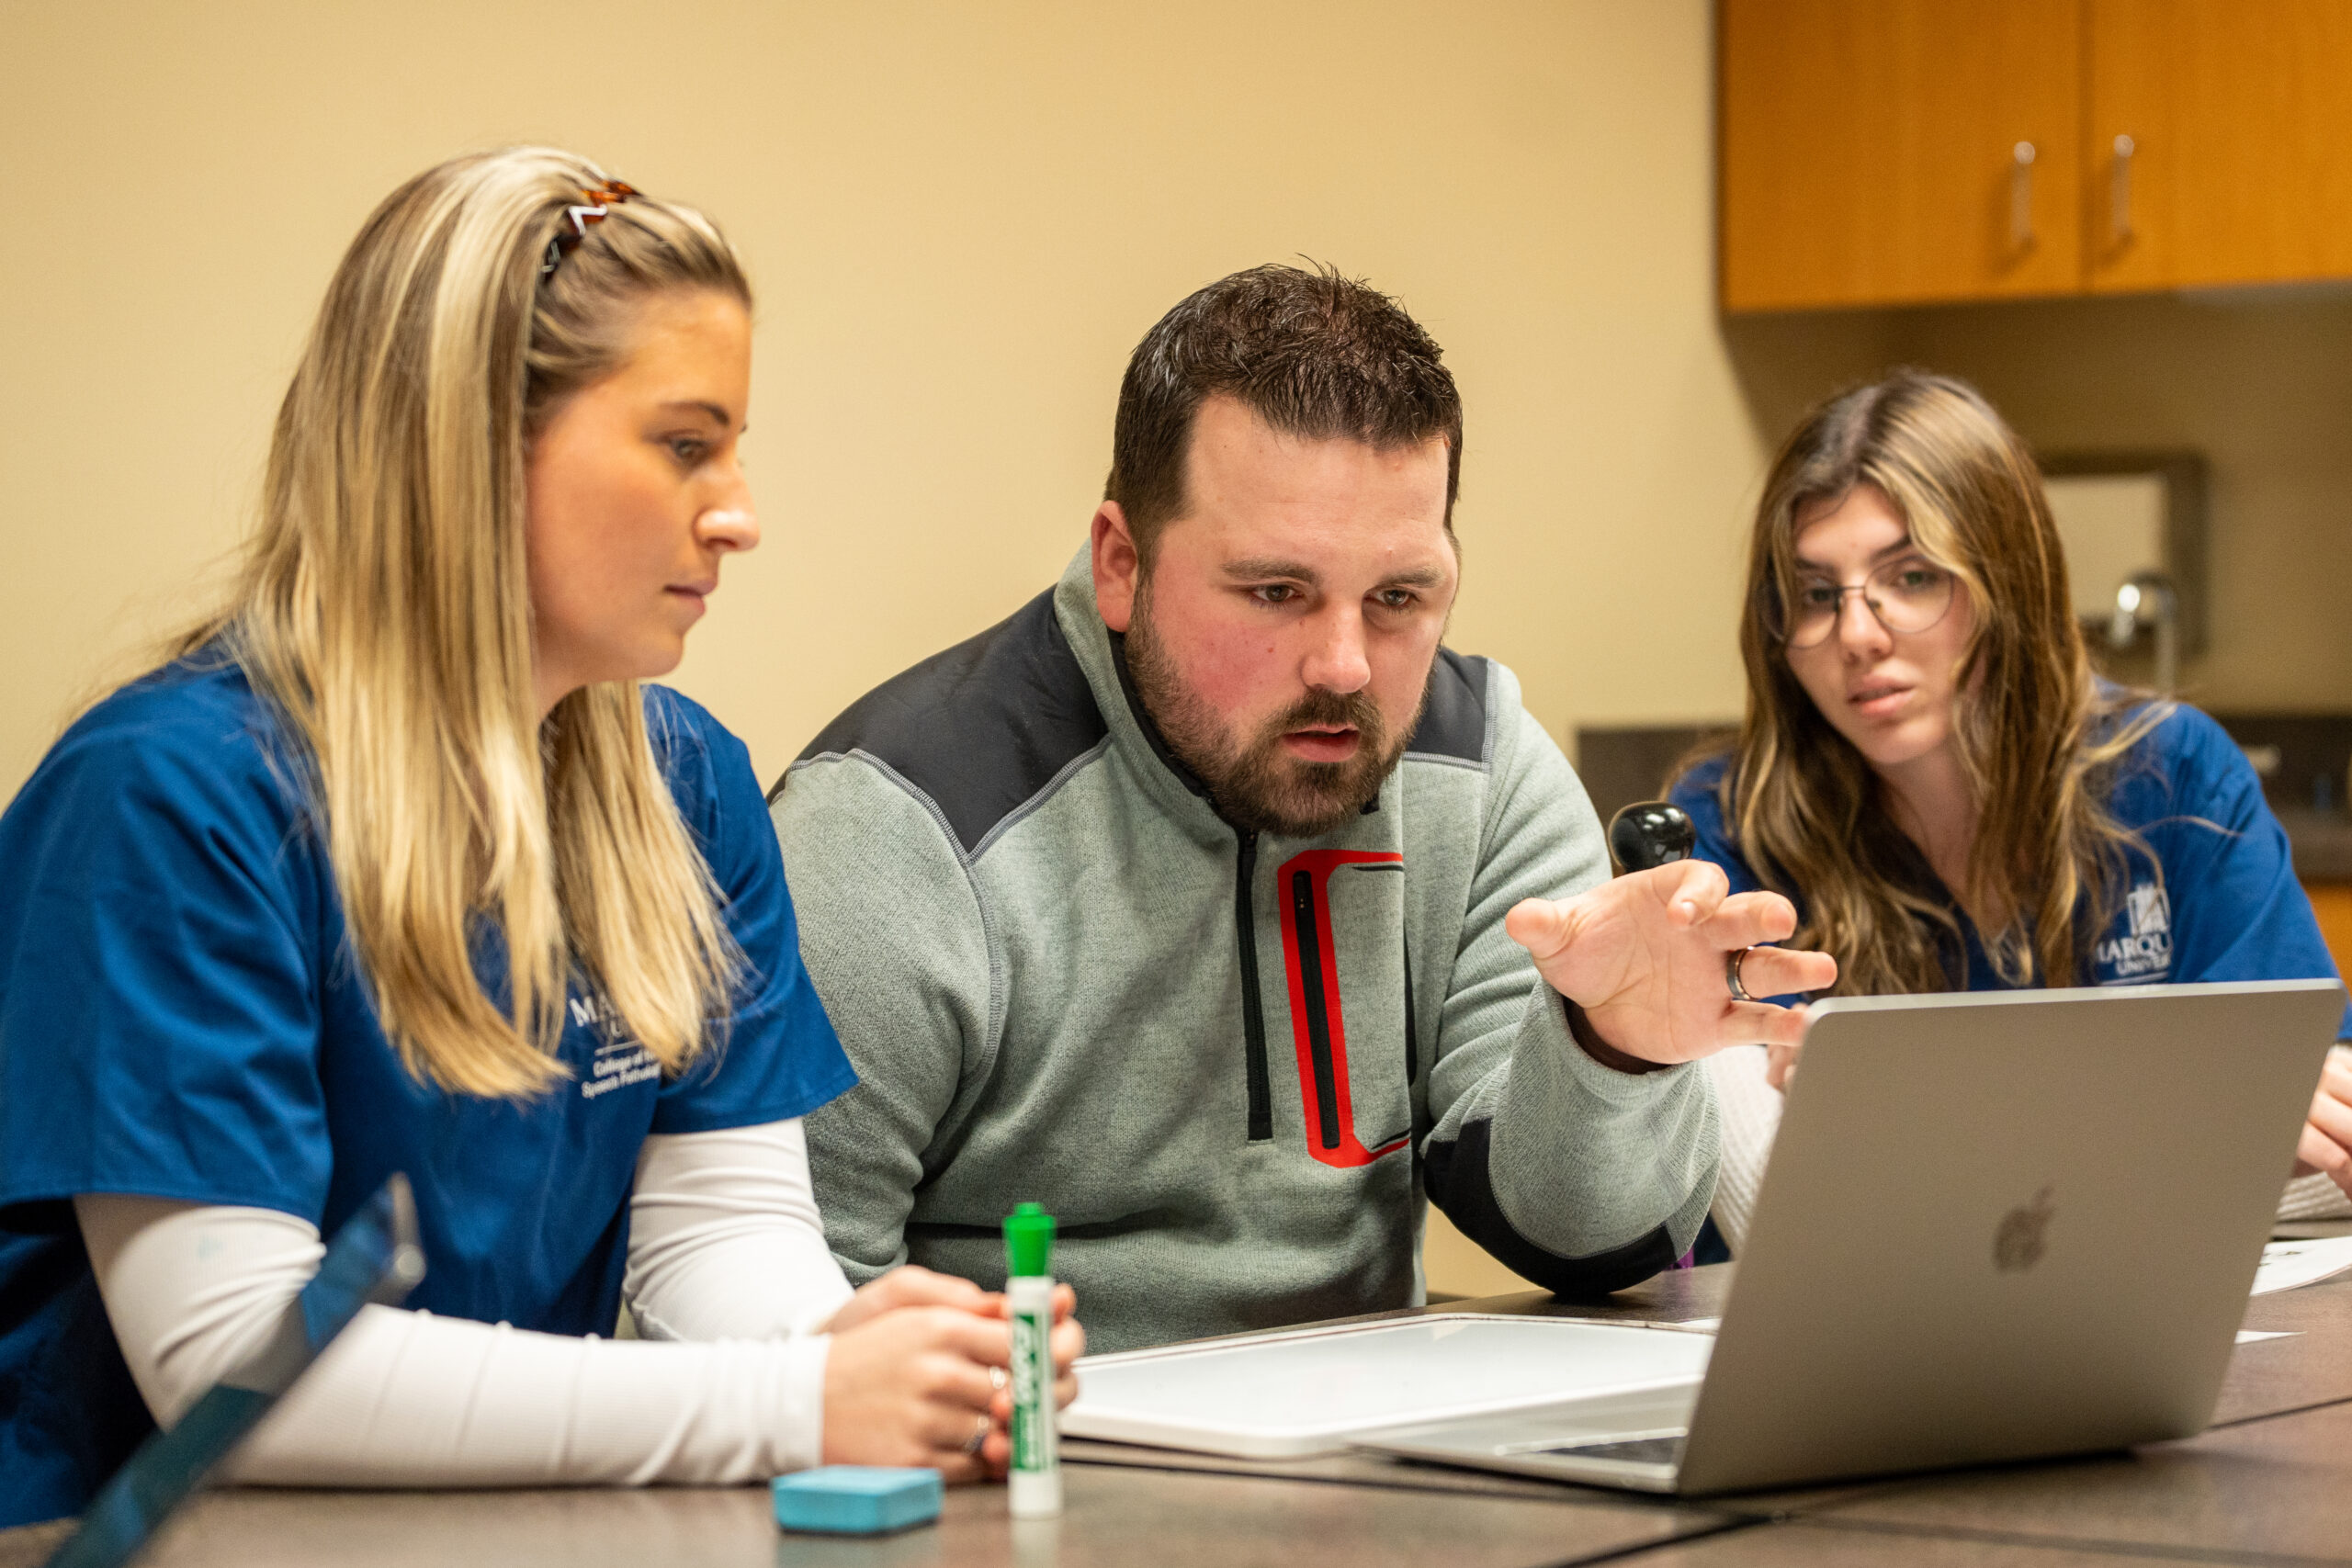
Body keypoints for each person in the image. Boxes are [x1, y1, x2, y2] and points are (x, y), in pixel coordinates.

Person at [0, 148, 1077, 1529]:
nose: (740, 514)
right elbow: (234, 1365)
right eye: (686, 444)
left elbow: (720, 1230)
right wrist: (792, 1403)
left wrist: (886, 1369)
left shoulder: (684, 786)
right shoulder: (171, 795)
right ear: (468, 445)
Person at [771, 264, 1837, 1353]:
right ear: (1122, 564)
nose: (1344, 667)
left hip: (1369, 1466)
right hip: (1026, 1461)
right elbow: (785, 1326)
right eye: (1275, 593)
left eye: (1398, 599)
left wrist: (1613, 1055)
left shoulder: (1479, 763)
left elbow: (1578, 1244)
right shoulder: (898, 828)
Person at [1668, 370, 2352, 1255]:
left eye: (1911, 577)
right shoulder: (1725, 832)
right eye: (1814, 593)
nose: (1858, 633)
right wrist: (2196, 1119)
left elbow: (2324, 1132)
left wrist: (1908, 1106)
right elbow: (1783, 1217)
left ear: (2008, 582)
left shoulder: (2172, 776)